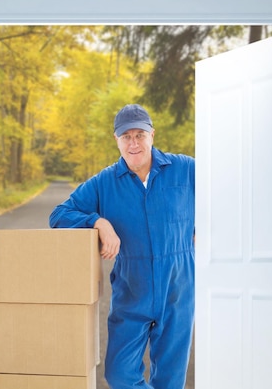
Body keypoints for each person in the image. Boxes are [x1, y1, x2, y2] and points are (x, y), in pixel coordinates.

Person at [49, 104, 195, 389]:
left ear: (152, 135)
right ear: (116, 140)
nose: (134, 143)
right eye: (126, 136)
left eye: (140, 134)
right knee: (119, 374)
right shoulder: (105, 182)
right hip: (132, 289)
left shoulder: (185, 169)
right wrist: (98, 222)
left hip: (178, 289)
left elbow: (224, 195)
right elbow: (59, 214)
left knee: (170, 379)